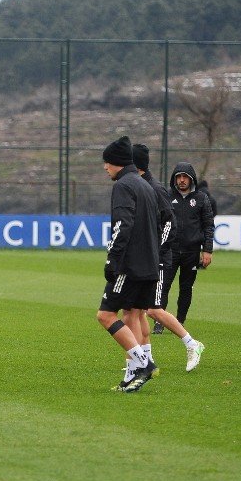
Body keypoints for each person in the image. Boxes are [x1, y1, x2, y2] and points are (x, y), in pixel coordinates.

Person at [95, 136, 159, 392]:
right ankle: (131, 377)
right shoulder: (145, 185)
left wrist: (113, 260)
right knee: (131, 314)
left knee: (105, 315)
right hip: (150, 264)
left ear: (118, 163)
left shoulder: (123, 186)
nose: (105, 167)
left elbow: (123, 226)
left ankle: (144, 363)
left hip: (130, 265)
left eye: (107, 162)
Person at [132, 145, 205, 372]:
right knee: (138, 310)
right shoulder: (140, 187)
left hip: (159, 258)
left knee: (153, 309)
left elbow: (168, 223)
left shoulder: (155, 189)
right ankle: (146, 361)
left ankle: (192, 344)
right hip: (145, 258)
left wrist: (156, 250)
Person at [153, 161, 215, 333]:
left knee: (186, 289)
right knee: (163, 286)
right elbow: (158, 222)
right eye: (178, 177)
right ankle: (160, 321)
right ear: (174, 178)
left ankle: (179, 321)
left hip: (192, 252)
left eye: (185, 177)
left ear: (191, 179)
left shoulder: (201, 198)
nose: (181, 180)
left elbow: (208, 225)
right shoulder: (166, 195)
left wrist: (207, 250)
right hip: (169, 251)